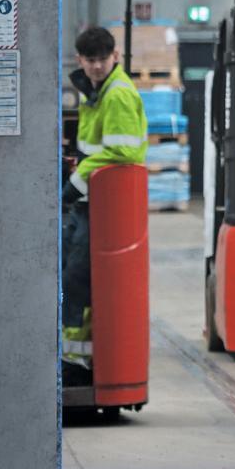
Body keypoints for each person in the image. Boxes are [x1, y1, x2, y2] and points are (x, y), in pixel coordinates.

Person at [62, 25, 147, 377]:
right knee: (70, 271)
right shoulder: (95, 92)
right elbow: (92, 148)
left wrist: (76, 181)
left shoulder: (117, 95)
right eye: (90, 60)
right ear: (80, 60)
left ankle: (77, 360)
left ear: (116, 57)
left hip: (105, 201)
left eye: (103, 59)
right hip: (91, 200)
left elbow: (123, 151)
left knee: (78, 278)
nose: (97, 67)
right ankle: (71, 354)